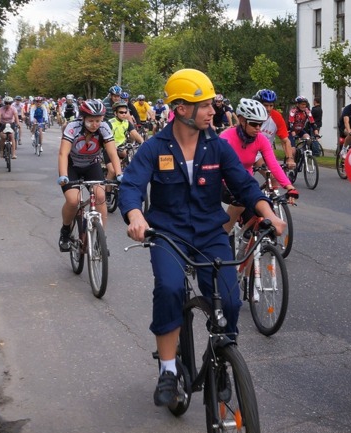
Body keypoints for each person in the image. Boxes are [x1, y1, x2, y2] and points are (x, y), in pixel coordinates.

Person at [118, 69, 286, 408]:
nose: (213, 111)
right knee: (169, 288)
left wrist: (267, 212)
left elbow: (244, 184)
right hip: (168, 233)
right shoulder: (154, 147)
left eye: (211, 104)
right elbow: (132, 185)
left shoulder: (217, 147)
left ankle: (221, 360)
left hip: (210, 233)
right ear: (181, 109)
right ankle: (167, 370)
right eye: (205, 105)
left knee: (231, 300)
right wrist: (135, 216)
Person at [220, 98, 299, 233]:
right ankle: (222, 238)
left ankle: (248, 245)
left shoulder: (260, 139)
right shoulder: (226, 137)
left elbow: (273, 164)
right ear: (242, 120)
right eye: (254, 124)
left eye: (260, 124)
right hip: (225, 181)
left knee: (254, 226)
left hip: (245, 182)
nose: (258, 129)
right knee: (238, 204)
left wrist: (289, 186)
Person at [57, 99, 124, 251]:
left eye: (98, 120)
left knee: (100, 197)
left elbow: (112, 153)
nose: (95, 124)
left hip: (92, 165)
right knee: (73, 201)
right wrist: (63, 175)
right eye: (91, 120)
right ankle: (65, 231)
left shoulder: (104, 128)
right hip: (71, 165)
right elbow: (63, 153)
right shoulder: (73, 127)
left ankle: (101, 239)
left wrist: (119, 173)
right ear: (83, 118)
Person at [252, 89, 295, 169]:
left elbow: (285, 141)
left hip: (267, 151)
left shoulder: (277, 117)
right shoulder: (251, 116)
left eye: (271, 105)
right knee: (272, 177)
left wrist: (290, 159)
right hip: (252, 151)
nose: (268, 109)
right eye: (265, 105)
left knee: (280, 178)